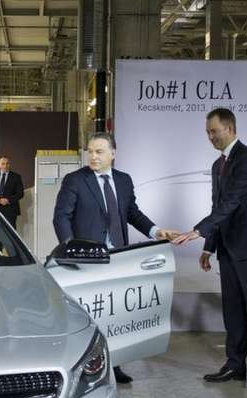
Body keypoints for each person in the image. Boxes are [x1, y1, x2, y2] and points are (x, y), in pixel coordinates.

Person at [53, 131, 184, 383]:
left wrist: (157, 231)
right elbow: (61, 217)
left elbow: (132, 213)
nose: (93, 156)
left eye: (99, 151)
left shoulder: (124, 181)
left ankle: (115, 366)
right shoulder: (75, 180)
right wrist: (70, 248)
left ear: (113, 153)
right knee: (90, 314)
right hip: (88, 258)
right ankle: (86, 367)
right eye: (90, 151)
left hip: (118, 257)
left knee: (114, 312)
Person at [178, 108, 247, 390]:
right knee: (232, 309)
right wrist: (208, 247)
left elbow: (233, 202)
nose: (210, 137)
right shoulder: (217, 165)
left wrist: (199, 229)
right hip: (227, 246)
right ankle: (235, 364)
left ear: (231, 129)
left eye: (214, 131)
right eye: (208, 133)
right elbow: (218, 206)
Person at [0, 156, 24, 228]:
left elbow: (20, 193)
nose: (5, 166)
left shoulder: (16, 177)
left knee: (10, 233)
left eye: (7, 163)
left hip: (10, 211)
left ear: (10, 164)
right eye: (3, 164)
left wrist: (8, 200)